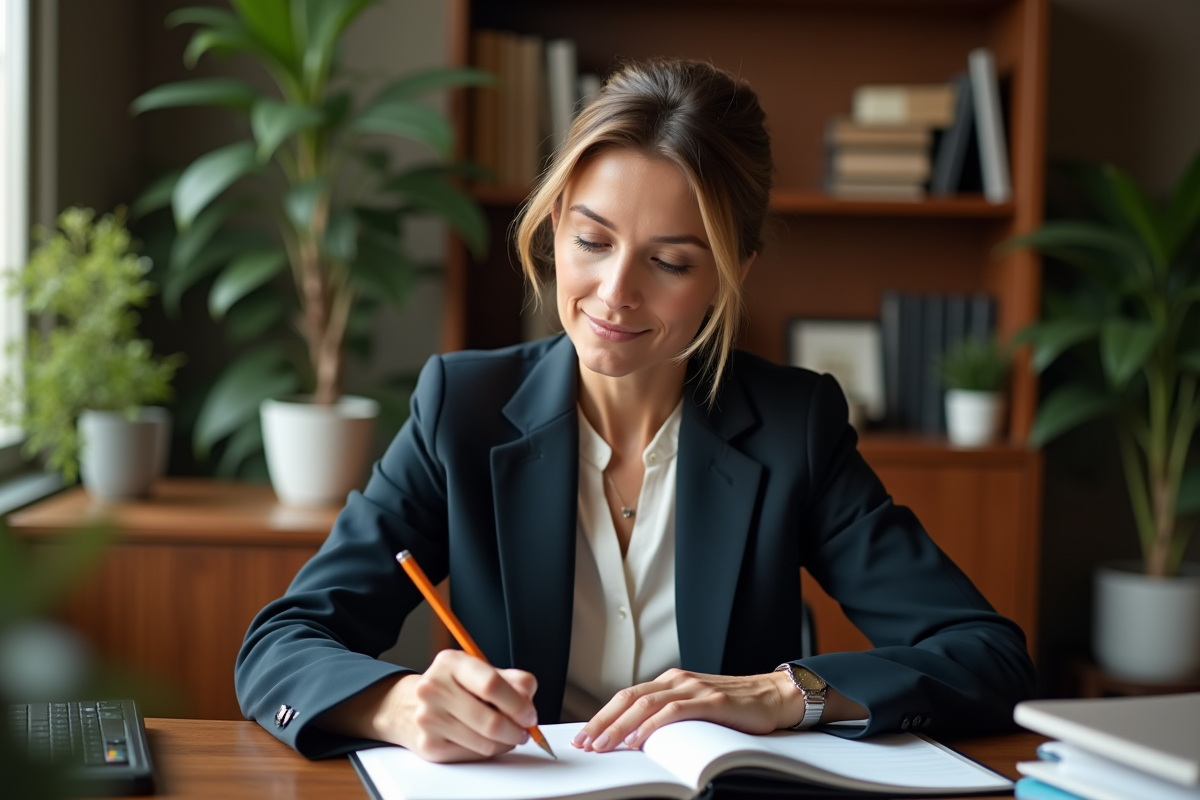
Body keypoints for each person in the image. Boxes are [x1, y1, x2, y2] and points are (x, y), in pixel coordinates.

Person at [235, 58, 1035, 763]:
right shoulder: (463, 409)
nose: (616, 293)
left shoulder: (794, 426)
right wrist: (399, 706)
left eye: (670, 261)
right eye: (592, 242)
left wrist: (785, 693)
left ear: (731, 272)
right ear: (555, 228)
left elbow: (988, 656)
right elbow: (280, 645)